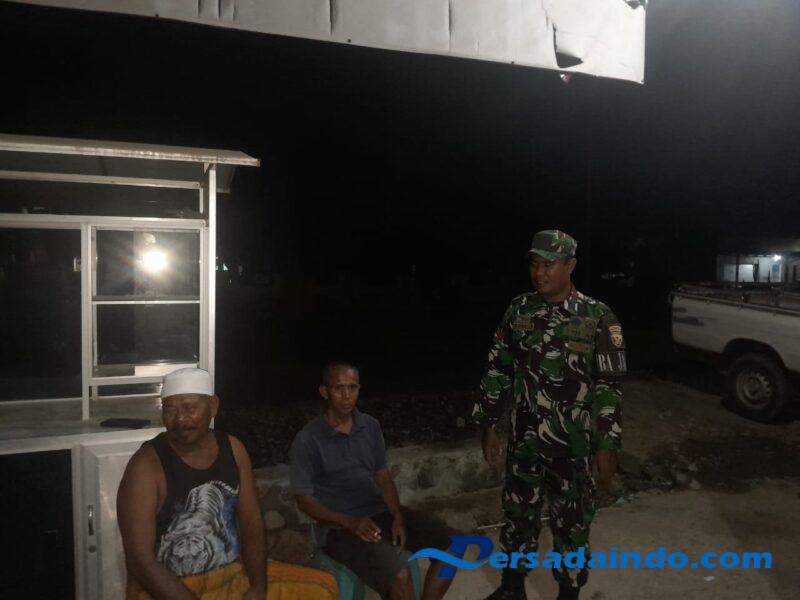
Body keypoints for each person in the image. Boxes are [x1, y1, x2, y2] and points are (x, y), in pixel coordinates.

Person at [473, 230, 625, 600]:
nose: (539, 273)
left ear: (570, 266)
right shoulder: (519, 310)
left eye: (548, 265)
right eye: (535, 264)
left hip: (572, 447)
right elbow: (498, 369)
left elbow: (609, 387)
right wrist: (489, 424)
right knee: (517, 516)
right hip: (524, 440)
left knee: (572, 525)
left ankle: (568, 593)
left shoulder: (598, 316)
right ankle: (512, 588)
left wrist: (607, 445)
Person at [118, 367, 338, 600]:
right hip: (167, 588)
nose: (180, 419)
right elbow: (140, 560)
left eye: (190, 408)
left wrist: (257, 587)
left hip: (229, 577)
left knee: (322, 589)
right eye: (170, 410)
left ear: (213, 406)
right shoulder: (146, 466)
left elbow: (251, 522)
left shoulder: (233, 450)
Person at [290, 361, 457, 600]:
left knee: (452, 546)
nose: (347, 396)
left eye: (352, 387)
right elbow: (304, 501)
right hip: (338, 529)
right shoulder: (308, 439)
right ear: (325, 392)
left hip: (379, 515)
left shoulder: (369, 426)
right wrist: (349, 522)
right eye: (339, 388)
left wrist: (397, 516)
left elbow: (383, 476)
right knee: (400, 575)